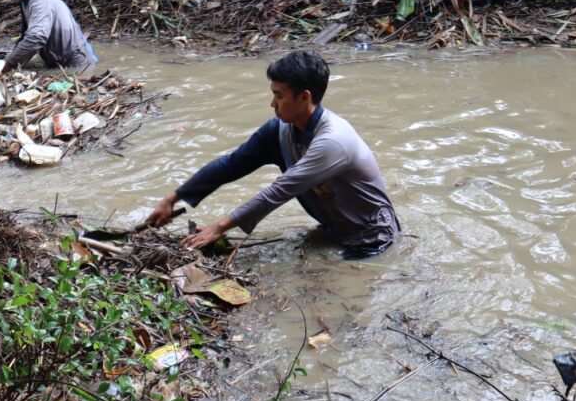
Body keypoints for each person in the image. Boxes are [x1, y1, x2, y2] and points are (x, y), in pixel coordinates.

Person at [146, 50, 400, 259]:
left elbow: (279, 191)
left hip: (371, 238)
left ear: (304, 97)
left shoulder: (333, 142)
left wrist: (218, 227)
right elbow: (232, 165)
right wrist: (174, 197)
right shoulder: (279, 131)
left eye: (279, 96)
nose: (272, 104)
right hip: (331, 231)